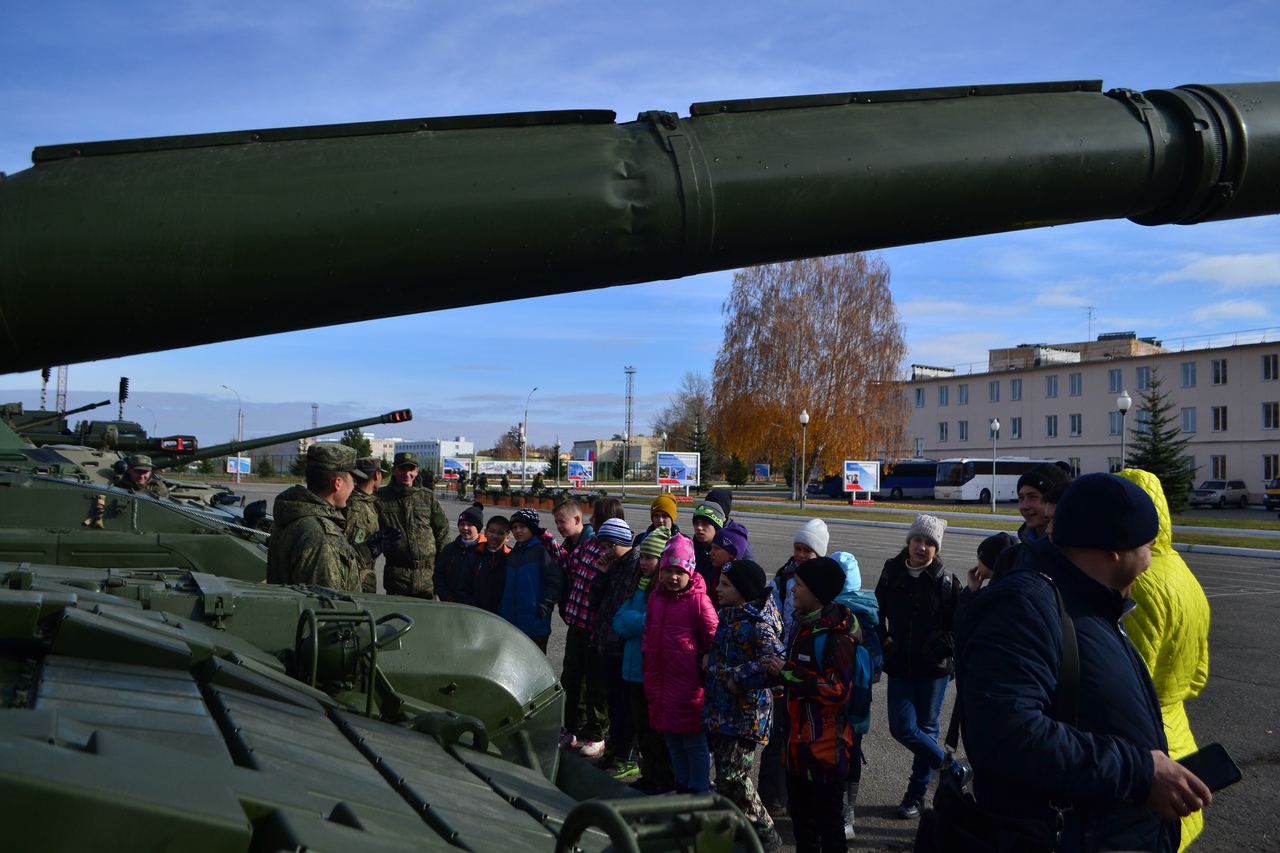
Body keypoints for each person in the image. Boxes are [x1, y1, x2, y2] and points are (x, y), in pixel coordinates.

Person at [957, 473, 1211, 853]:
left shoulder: (1092, 602)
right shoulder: (1025, 606)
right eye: (1148, 544)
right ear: (1114, 551)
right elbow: (1005, 731)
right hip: (1063, 837)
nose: (1153, 553)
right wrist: (1138, 772)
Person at [1116, 468, 1213, 850]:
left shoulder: (1137, 577)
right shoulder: (1184, 573)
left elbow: (1126, 684)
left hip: (1148, 753)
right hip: (1179, 734)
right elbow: (1199, 674)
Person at [765, 555, 858, 853]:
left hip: (825, 753)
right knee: (802, 825)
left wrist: (788, 672)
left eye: (800, 584)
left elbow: (838, 690)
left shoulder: (836, 637)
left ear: (817, 593)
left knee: (829, 826)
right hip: (797, 749)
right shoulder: (802, 625)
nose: (792, 588)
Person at [875, 514, 964, 820]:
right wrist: (886, 642)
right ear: (909, 541)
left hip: (934, 669)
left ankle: (915, 794)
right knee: (902, 728)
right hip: (899, 665)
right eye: (917, 540)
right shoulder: (891, 572)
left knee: (926, 728)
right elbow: (876, 614)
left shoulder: (948, 581)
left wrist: (934, 649)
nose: (922, 547)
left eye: (929, 543)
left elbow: (960, 628)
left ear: (936, 549)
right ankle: (951, 767)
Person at [705, 558, 784, 852]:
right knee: (725, 780)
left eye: (725, 585)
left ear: (743, 590)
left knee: (734, 776)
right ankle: (739, 833)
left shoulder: (758, 625)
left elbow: (772, 663)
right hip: (723, 711)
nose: (718, 589)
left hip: (746, 715)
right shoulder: (728, 617)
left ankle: (764, 832)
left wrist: (739, 678)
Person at [759, 516, 830, 817]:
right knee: (777, 736)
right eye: (797, 548)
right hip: (780, 666)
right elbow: (769, 619)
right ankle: (771, 799)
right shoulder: (782, 579)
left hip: (807, 671)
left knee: (803, 737)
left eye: (808, 551)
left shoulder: (826, 586)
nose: (800, 555)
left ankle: (801, 798)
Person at [643, 534, 718, 794]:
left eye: (679, 571)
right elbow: (648, 632)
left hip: (689, 687)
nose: (673, 577)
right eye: (668, 570)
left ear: (690, 570)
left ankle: (699, 791)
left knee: (694, 743)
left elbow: (713, 639)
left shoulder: (699, 601)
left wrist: (705, 663)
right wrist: (647, 657)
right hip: (661, 682)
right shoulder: (655, 598)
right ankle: (682, 786)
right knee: (672, 740)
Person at [542, 497, 609, 757]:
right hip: (576, 623)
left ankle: (595, 733)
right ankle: (570, 727)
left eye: (562, 521)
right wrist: (548, 539)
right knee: (570, 676)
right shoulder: (576, 545)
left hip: (592, 626)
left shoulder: (593, 545)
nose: (559, 526)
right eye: (556, 522)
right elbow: (569, 565)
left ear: (578, 520)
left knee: (593, 682)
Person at [614, 525, 676, 794]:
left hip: (648, 672)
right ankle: (649, 774)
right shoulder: (639, 586)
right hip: (631, 670)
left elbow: (656, 622)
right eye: (642, 557)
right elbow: (620, 620)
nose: (644, 562)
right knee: (642, 728)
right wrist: (638, 622)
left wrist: (635, 622)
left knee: (655, 730)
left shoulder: (662, 591)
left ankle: (663, 777)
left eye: (650, 558)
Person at [266, 442, 366, 590]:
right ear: (337, 483)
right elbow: (328, 606)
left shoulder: (295, 514)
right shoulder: (321, 537)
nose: (353, 486)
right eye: (353, 480)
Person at [829, 550, 878, 842]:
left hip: (835, 693)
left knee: (837, 749)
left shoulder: (838, 611)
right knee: (852, 747)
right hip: (859, 694)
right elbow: (877, 662)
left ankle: (843, 810)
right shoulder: (868, 610)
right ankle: (848, 811)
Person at [589, 517, 642, 779]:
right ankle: (613, 747)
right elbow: (595, 602)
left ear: (623, 542)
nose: (606, 552)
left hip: (622, 645)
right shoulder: (614, 565)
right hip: (606, 643)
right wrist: (601, 575)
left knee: (625, 704)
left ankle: (627, 754)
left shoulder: (634, 566)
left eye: (610, 546)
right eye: (603, 546)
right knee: (613, 701)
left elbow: (625, 605)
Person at [376, 451, 450, 598]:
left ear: (417, 471)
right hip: (398, 579)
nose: (407, 473)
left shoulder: (427, 497)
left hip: (427, 579)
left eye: (411, 469)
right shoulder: (381, 498)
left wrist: (443, 567)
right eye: (402, 469)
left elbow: (442, 531)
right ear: (394, 470)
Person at [498, 508, 563, 651]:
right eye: (514, 528)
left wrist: (544, 607)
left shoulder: (542, 552)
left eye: (522, 527)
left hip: (534, 626)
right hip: (511, 624)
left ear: (532, 528)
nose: (518, 531)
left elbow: (556, 582)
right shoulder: (512, 554)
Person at [345, 456, 386, 593]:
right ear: (377, 474)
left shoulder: (369, 502)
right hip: (355, 581)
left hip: (366, 575)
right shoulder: (354, 505)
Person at [434, 502, 486, 603]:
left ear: (478, 528)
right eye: (462, 524)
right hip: (451, 604)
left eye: (469, 525)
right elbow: (438, 577)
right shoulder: (449, 549)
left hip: (475, 607)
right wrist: (448, 598)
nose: (465, 528)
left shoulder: (484, 551)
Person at [460, 515, 510, 612]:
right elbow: (463, 588)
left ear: (507, 537)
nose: (495, 536)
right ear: (485, 533)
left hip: (501, 616)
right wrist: (475, 608)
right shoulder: (473, 556)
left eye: (500, 533)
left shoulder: (510, 559)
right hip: (475, 612)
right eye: (492, 531)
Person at [1016, 462, 1072, 544]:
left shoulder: (1075, 553)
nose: (1024, 506)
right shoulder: (1013, 554)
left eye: (1033, 497)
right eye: (1021, 498)